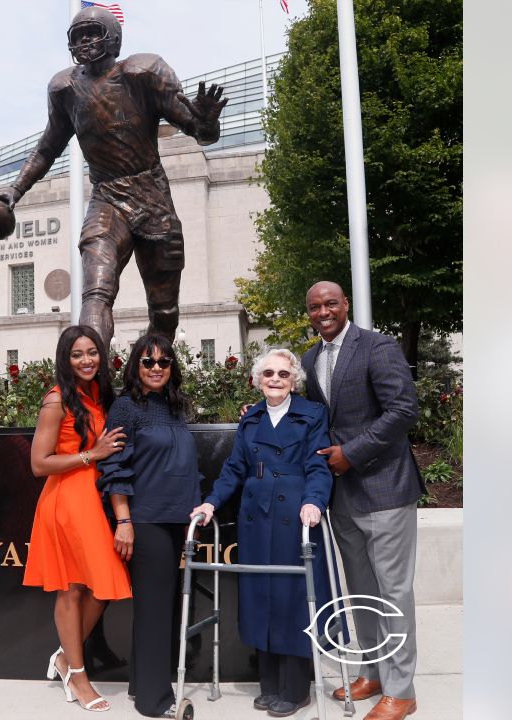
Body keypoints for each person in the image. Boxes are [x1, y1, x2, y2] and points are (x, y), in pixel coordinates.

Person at [0, 5, 228, 348]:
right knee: (96, 292)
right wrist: (15, 190)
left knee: (165, 309)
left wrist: (208, 121)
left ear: (113, 37)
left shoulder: (144, 72)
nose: (84, 42)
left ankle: (157, 382)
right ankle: (90, 381)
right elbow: (47, 148)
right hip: (107, 197)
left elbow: (200, 132)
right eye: (78, 36)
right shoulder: (64, 88)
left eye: (91, 33)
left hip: (151, 193)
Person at [300, 281, 426, 720]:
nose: (323, 311)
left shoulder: (377, 346)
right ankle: (373, 672)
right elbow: (317, 417)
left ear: (345, 304)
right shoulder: (310, 358)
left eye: (330, 303)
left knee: (393, 591)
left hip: (386, 488)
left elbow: (403, 409)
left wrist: (351, 454)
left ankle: (402, 690)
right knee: (361, 592)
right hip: (343, 498)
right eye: (315, 306)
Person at [191, 349, 334, 719]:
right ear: (257, 379)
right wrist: (210, 503)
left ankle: (297, 688)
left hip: (294, 514)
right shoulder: (251, 419)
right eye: (268, 373)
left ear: (294, 381)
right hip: (255, 516)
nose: (275, 379)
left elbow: (319, 465)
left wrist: (314, 501)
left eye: (283, 374)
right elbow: (234, 469)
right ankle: (270, 685)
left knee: (292, 597)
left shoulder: (312, 414)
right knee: (261, 596)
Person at [24, 325, 131, 712]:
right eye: (76, 354)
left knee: (102, 588)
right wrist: (92, 454)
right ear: (64, 360)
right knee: (70, 588)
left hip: (95, 499)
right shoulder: (57, 399)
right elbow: (39, 463)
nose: (86, 360)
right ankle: (80, 678)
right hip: (67, 500)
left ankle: (65, 658)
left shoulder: (99, 397)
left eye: (92, 352)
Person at [96, 335, 202, 718]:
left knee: (161, 606)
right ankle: (156, 701)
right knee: (157, 609)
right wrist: (123, 521)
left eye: (164, 362)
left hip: (177, 519)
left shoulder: (176, 407)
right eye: (147, 361)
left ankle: (142, 685)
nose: (156, 368)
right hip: (145, 520)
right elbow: (113, 467)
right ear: (134, 367)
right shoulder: (126, 408)